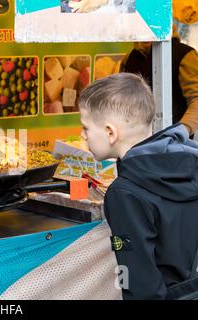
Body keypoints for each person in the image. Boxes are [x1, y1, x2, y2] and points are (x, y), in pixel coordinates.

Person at [78, 72, 198, 299]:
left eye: (86, 127)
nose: (83, 135)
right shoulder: (191, 160)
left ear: (110, 132)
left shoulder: (124, 193)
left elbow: (138, 281)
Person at [121, 26, 198, 138]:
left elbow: (196, 99)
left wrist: (182, 130)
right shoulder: (128, 59)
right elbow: (122, 101)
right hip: (135, 142)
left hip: (173, 144)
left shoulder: (185, 55)